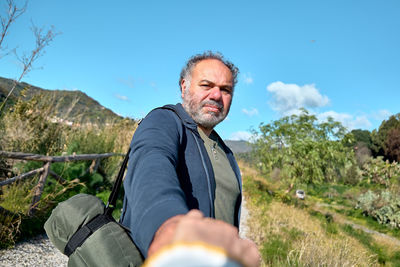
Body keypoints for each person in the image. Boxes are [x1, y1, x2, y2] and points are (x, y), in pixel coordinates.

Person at [120, 51, 258, 264]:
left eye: (225, 90)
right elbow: (151, 167)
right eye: (206, 85)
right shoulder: (163, 121)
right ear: (184, 86)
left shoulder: (226, 152)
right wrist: (170, 229)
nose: (216, 95)